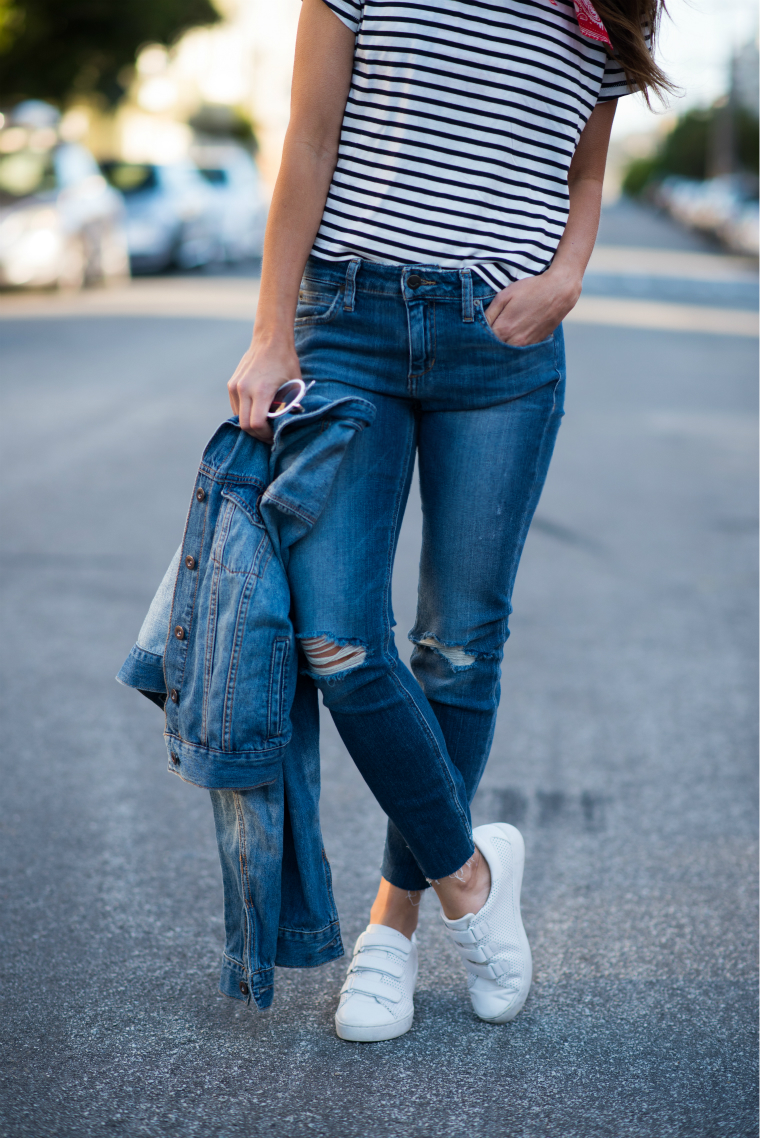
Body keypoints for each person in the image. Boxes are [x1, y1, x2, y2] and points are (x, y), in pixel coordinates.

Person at [227, 0, 671, 1042]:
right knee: (334, 630)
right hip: (347, 324)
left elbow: (583, 175)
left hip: (501, 348)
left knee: (458, 647)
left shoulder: (606, 10)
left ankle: (390, 926)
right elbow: (310, 134)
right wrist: (268, 331)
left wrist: (565, 280)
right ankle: (469, 871)